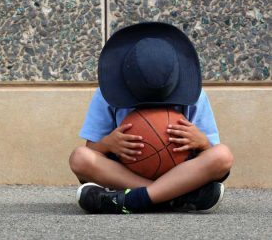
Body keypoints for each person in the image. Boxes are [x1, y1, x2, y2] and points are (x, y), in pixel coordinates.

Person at [69, 22, 234, 214]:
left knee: (223, 156)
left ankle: (130, 199)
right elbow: (92, 150)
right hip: (126, 172)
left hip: (180, 172)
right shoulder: (105, 95)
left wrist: (203, 142)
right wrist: (107, 144)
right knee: (79, 158)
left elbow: (211, 152)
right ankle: (172, 197)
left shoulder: (195, 96)